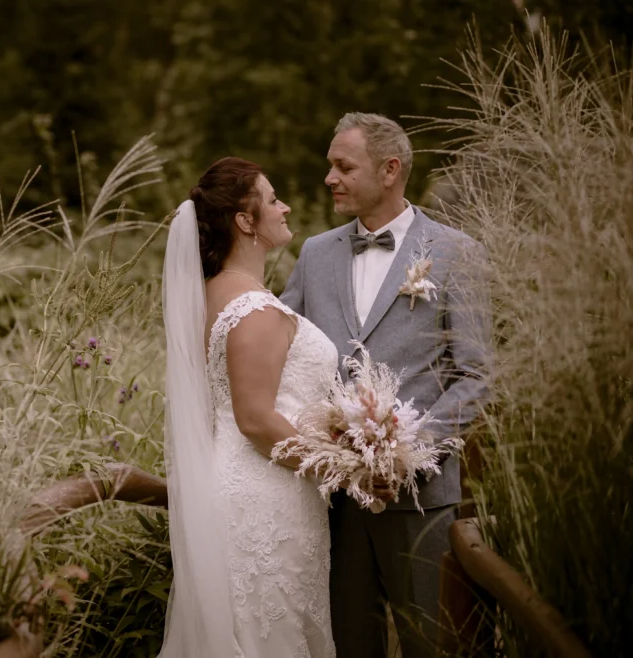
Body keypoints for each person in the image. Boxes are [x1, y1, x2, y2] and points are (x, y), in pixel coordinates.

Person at [280, 113, 492, 658]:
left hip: (421, 498)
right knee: (348, 643)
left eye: (343, 166)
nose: (329, 178)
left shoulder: (456, 253)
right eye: (331, 165)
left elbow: (477, 374)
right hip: (331, 503)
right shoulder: (315, 253)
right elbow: (280, 349)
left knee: (434, 644)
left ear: (391, 169)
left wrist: (405, 453)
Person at [159, 156, 344, 658]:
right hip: (263, 501)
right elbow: (257, 420)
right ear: (246, 221)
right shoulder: (254, 310)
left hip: (251, 489)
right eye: (273, 198)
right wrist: (344, 467)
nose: (284, 208)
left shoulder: (214, 295)